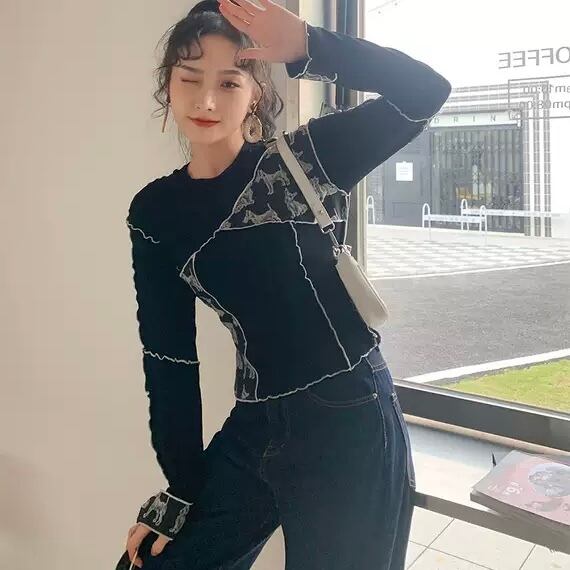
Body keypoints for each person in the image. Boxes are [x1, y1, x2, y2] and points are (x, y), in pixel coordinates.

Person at [122, 0, 451, 568]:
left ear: (255, 94)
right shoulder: (155, 213)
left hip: (348, 414)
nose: (206, 100)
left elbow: (425, 91)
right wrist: (181, 486)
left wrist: (308, 44)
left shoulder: (304, 160)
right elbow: (168, 358)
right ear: (167, 86)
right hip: (254, 425)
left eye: (229, 82)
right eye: (189, 78)